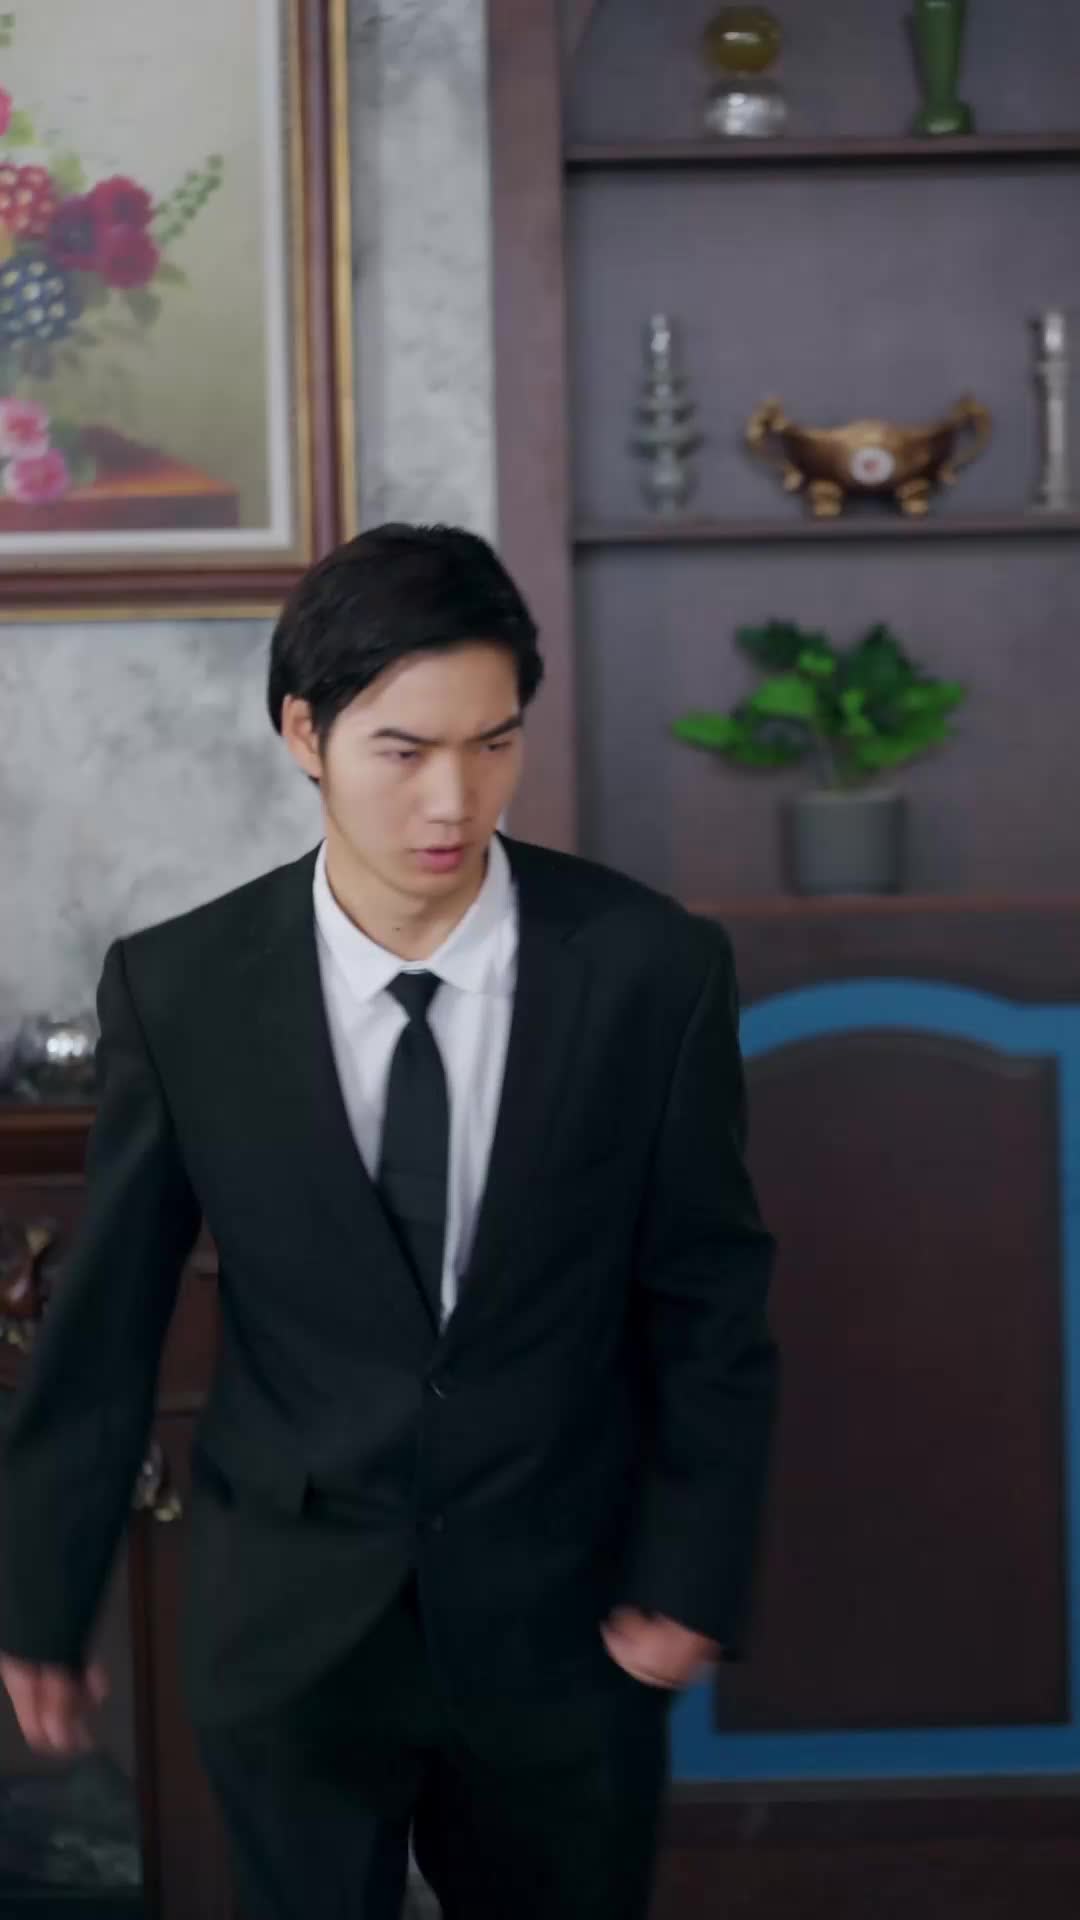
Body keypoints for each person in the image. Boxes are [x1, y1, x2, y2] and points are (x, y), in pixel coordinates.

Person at [0, 524, 776, 1920]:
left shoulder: (652, 970)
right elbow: (107, 1320)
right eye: (404, 750)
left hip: (566, 1626)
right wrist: (40, 1604)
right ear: (305, 733)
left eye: (494, 744)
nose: (453, 798)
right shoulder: (182, 991)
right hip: (287, 1631)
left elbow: (709, 1297)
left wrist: (690, 1575)